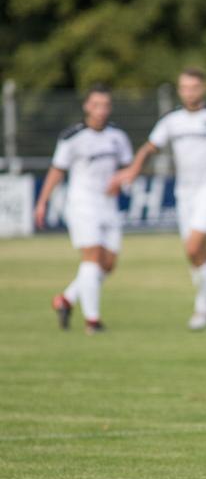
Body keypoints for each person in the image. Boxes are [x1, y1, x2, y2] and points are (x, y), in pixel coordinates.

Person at [110, 67, 206, 330]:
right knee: (198, 255)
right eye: (184, 87)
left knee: (193, 247)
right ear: (179, 90)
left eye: (194, 87)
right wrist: (134, 169)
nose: (189, 92)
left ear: (203, 88)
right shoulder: (172, 120)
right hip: (185, 192)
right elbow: (149, 147)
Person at [35, 84, 133, 334]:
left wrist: (121, 180)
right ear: (87, 106)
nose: (101, 110)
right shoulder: (72, 137)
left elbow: (128, 169)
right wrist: (43, 201)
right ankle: (93, 321)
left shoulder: (118, 137)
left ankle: (65, 300)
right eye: (96, 105)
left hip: (108, 205)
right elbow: (57, 169)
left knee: (108, 264)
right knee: (91, 259)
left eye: (105, 105)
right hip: (82, 203)